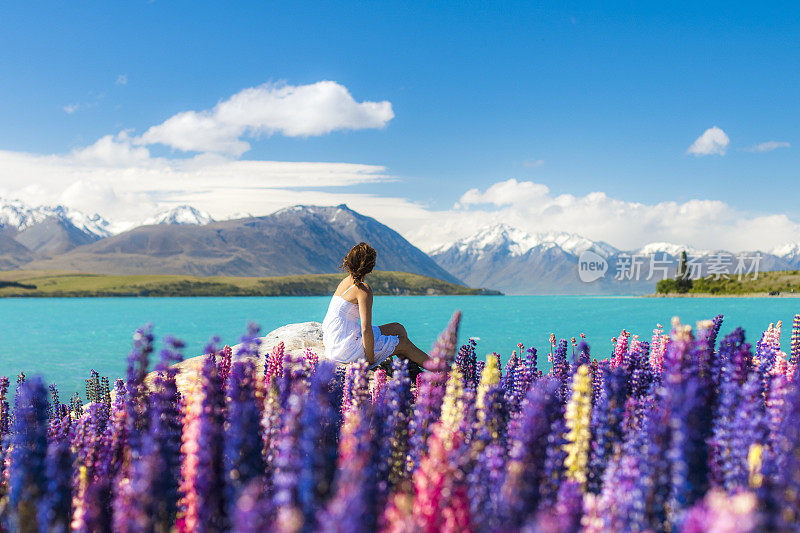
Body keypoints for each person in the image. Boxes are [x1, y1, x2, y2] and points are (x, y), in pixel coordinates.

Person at [322, 242, 431, 369]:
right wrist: (370, 359)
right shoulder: (363, 290)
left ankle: (408, 368)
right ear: (370, 266)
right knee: (403, 344)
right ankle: (444, 371)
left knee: (397, 328)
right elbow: (365, 328)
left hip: (336, 339)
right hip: (345, 348)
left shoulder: (345, 282)